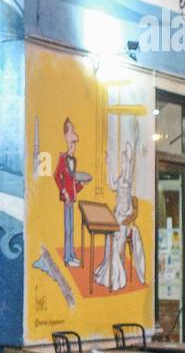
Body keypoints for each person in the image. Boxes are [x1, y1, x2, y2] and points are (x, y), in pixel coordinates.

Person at [93, 142, 146, 292]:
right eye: (122, 161)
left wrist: (130, 152)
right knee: (110, 239)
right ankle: (109, 271)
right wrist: (108, 164)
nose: (122, 163)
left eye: (124, 161)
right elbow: (111, 185)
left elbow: (131, 164)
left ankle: (117, 275)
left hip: (125, 218)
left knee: (118, 241)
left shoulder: (128, 178)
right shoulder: (122, 177)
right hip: (117, 215)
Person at [54, 118, 91, 268]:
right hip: (66, 198)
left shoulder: (73, 160)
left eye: (75, 144)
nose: (74, 146)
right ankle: (67, 258)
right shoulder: (63, 158)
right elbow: (57, 176)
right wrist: (64, 192)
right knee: (68, 229)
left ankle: (71, 255)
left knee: (72, 228)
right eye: (72, 143)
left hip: (72, 198)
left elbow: (74, 184)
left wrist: (82, 184)